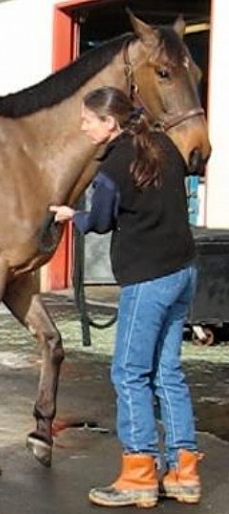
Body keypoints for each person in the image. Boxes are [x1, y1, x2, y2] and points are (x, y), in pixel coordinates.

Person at [49, 86, 202, 508]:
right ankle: (184, 471)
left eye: (87, 119)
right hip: (183, 271)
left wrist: (71, 216)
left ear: (110, 123)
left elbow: (99, 221)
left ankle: (139, 474)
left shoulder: (114, 164)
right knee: (167, 371)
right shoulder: (163, 146)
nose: (82, 125)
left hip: (149, 278)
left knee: (130, 372)